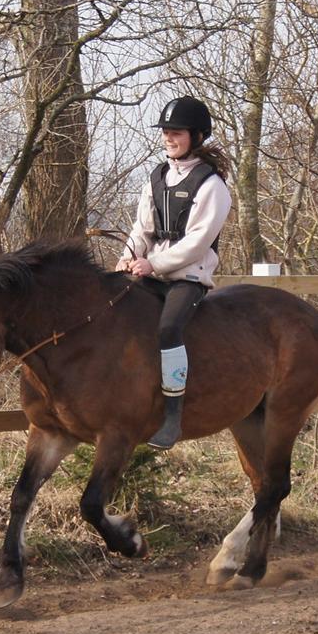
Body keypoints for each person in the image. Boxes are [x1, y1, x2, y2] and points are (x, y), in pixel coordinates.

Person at [116, 96, 233, 450]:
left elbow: (198, 244)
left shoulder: (212, 185)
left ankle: (172, 416)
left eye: (176, 132)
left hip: (188, 277)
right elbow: (142, 229)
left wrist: (153, 264)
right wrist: (128, 257)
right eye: (166, 132)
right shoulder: (157, 177)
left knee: (167, 328)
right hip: (152, 272)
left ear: (197, 136)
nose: (168, 138)